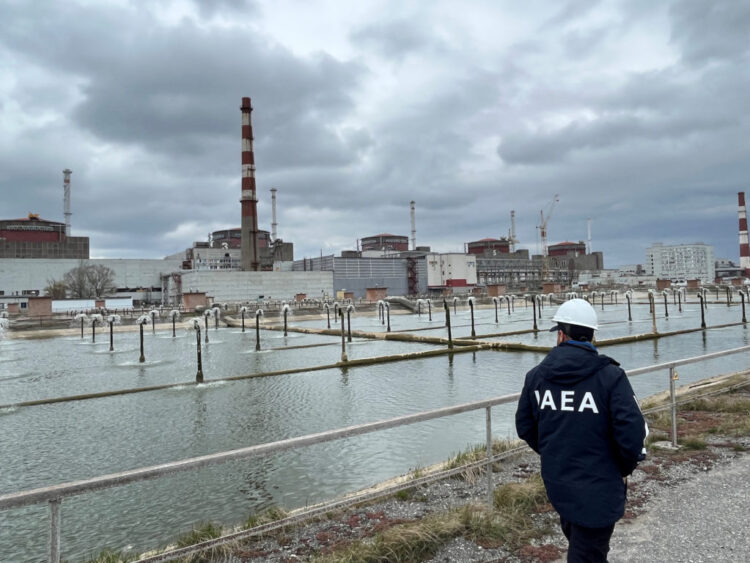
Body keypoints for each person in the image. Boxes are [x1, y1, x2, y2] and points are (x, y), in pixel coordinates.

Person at [515, 298, 647, 562]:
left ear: (561, 335)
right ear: (592, 335)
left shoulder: (537, 377)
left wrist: (553, 452)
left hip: (559, 482)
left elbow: (525, 426)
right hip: (600, 486)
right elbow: (632, 434)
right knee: (587, 552)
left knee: (582, 544)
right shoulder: (610, 377)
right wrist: (620, 468)